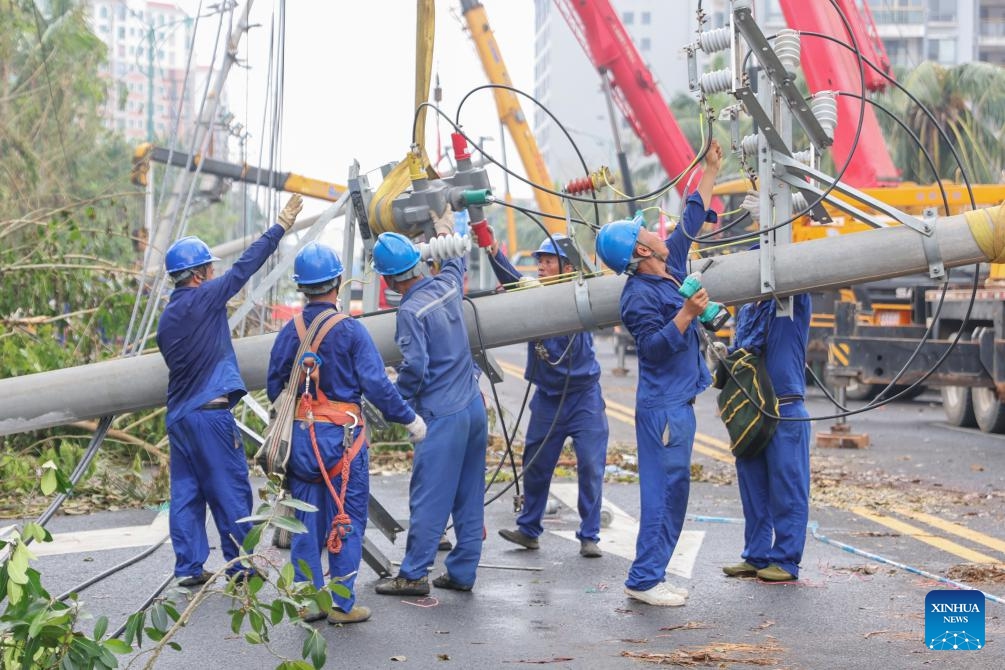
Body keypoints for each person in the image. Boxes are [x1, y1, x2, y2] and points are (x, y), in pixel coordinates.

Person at [267, 242, 426, 624]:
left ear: (302, 287)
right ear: (337, 281)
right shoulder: (351, 332)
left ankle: (308, 601)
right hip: (343, 444)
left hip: (303, 442)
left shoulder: (291, 332)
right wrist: (409, 420)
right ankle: (341, 604)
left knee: (305, 520)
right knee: (346, 517)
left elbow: (275, 386)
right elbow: (377, 385)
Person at [594, 139, 723, 607]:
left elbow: (690, 217)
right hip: (663, 408)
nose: (654, 233)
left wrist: (709, 171)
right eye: (645, 233)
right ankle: (645, 579)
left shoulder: (670, 264)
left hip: (678, 404)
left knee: (676, 493)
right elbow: (652, 347)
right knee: (663, 496)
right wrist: (687, 313)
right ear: (639, 251)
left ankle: (653, 574)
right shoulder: (638, 297)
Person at [156, 194, 304, 587]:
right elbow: (243, 268)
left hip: (180, 419)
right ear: (199, 274)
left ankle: (188, 567)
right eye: (209, 268)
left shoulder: (167, 318)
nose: (213, 274)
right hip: (209, 417)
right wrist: (279, 228)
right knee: (231, 488)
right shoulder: (204, 299)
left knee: (187, 494)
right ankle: (240, 564)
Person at [372, 216, 488, 596]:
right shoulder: (447, 286)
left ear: (388, 280)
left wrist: (397, 398)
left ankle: (413, 574)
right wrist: (442, 230)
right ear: (417, 262)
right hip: (472, 407)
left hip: (442, 415)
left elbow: (417, 367)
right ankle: (463, 571)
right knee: (468, 495)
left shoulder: (409, 312)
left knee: (429, 496)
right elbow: (456, 259)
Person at [487, 234, 609, 558]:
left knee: (591, 465)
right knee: (536, 464)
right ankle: (529, 530)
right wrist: (490, 246)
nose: (541, 266)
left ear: (567, 267)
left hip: (584, 397)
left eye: (548, 260)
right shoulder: (533, 294)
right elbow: (512, 278)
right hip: (548, 397)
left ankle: (589, 535)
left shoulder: (580, 292)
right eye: (539, 261)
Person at [721, 290, 812, 582]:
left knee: (788, 487)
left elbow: (796, 276)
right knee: (753, 487)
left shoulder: (791, 302)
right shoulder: (746, 310)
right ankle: (756, 555)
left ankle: (786, 560)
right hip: (752, 409)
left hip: (784, 409)